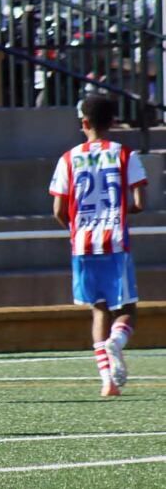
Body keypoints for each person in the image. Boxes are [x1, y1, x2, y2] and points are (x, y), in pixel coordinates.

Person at [49, 95, 147, 398]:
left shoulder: (69, 157)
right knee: (127, 308)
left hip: (82, 243)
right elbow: (140, 203)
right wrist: (114, 213)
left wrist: (78, 226)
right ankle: (116, 341)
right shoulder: (125, 154)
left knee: (98, 310)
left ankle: (107, 381)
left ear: (84, 122)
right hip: (115, 240)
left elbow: (58, 210)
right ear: (114, 121)